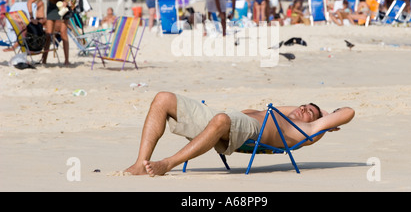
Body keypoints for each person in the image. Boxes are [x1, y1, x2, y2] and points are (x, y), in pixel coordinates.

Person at [124, 92, 355, 176]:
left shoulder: (307, 130)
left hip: (248, 131)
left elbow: (349, 111)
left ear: (318, 122)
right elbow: (295, 108)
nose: (304, 109)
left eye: (310, 112)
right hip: (224, 119)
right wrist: (306, 109)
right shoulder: (284, 114)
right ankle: (138, 164)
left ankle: (167, 163)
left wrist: (324, 117)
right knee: (163, 98)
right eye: (304, 105)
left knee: (222, 120)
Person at [27, 0, 73, 65]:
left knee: (63, 33)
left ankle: (67, 60)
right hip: (52, 7)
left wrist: (66, 2)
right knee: (48, 34)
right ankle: (44, 60)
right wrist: (31, 17)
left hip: (63, 7)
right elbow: (30, 1)